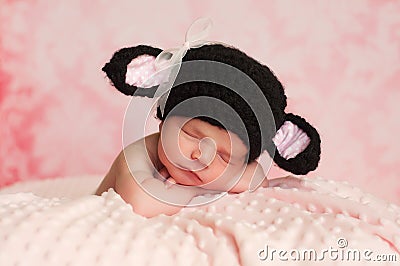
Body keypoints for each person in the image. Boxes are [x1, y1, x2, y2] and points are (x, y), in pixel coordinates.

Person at [95, 18, 321, 218]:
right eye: (192, 135)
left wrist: (199, 188)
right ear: (163, 120)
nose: (202, 157)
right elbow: (141, 204)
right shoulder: (138, 155)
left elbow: (255, 180)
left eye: (225, 157)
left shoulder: (230, 164)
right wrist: (200, 190)